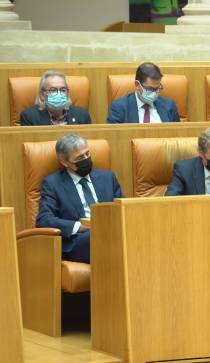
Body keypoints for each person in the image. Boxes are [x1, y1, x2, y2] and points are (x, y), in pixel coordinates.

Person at [36, 133, 122, 263]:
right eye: (80, 157)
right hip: (78, 240)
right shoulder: (53, 184)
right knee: (98, 236)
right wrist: (79, 226)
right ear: (64, 162)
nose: (86, 159)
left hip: (111, 232)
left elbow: (123, 208)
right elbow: (44, 219)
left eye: (87, 154)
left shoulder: (108, 178)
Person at [107, 62, 180, 124]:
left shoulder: (169, 106)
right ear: (137, 85)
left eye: (157, 88)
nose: (154, 93)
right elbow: (114, 137)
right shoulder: (119, 107)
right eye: (150, 89)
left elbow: (178, 134)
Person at [19, 71, 92, 126]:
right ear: (42, 95)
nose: (59, 94)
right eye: (53, 90)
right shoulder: (29, 117)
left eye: (63, 90)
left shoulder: (82, 115)